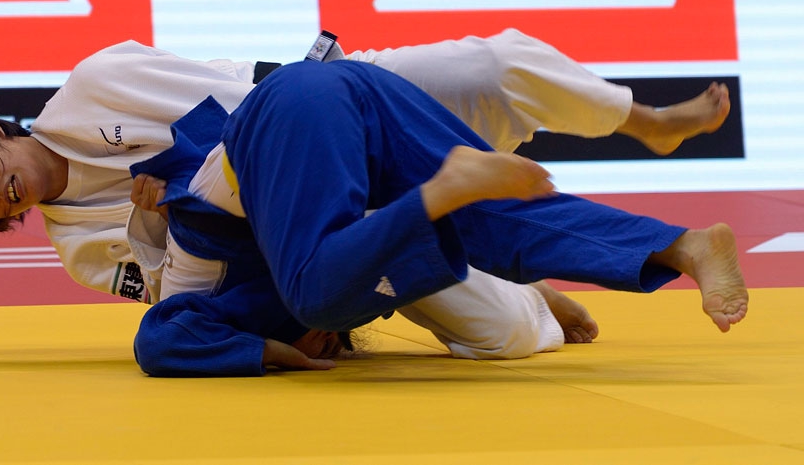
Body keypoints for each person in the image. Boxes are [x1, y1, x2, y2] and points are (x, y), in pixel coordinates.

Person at [0, 29, 730, 359]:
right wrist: (153, 228)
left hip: (308, 124)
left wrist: (319, 85)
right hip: (310, 239)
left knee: (488, 66)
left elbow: (240, 85)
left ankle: (644, 118)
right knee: (503, 335)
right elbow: (193, 296)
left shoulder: (98, 81)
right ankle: (530, 285)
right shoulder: (82, 250)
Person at [129, 60, 748, 377]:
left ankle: (441, 193)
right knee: (500, 220)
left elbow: (157, 340)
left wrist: (278, 354)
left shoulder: (204, 301)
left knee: (316, 295)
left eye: (328, 348)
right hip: (355, 94)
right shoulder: (311, 248)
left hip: (290, 116)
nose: (325, 347)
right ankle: (682, 246)